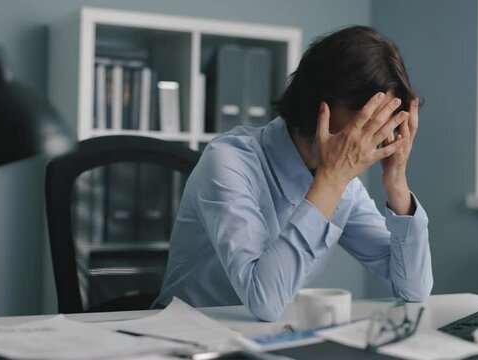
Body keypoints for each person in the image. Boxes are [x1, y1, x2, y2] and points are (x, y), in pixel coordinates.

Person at [154, 25, 433, 321]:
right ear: (320, 102)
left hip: (262, 339)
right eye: (365, 112)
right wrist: (331, 180)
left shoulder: (344, 185)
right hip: (182, 336)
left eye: (383, 117)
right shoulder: (228, 162)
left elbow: (414, 290)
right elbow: (265, 301)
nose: (373, 130)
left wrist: (396, 183)